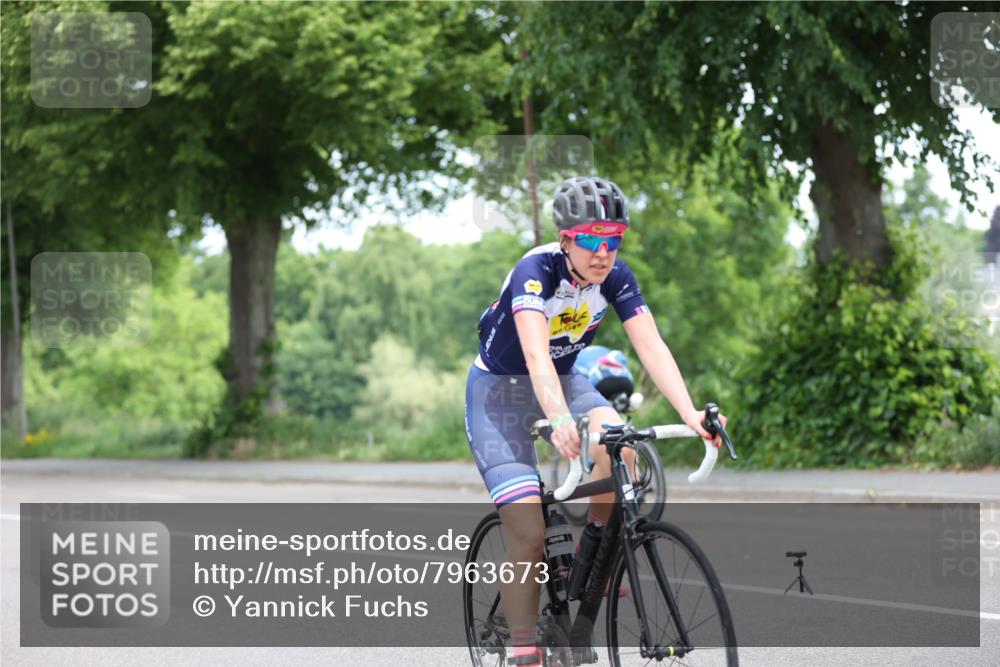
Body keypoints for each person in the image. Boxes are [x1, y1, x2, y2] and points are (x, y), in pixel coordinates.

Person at [465, 176, 726, 666]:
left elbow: (651, 345)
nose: (603, 252)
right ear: (566, 239)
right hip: (499, 395)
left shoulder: (616, 276)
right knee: (527, 533)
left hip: (565, 381)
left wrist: (690, 413)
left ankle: (596, 556)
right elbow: (535, 353)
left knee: (621, 447)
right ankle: (524, 652)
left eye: (613, 240)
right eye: (591, 239)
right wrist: (558, 417)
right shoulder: (535, 272)